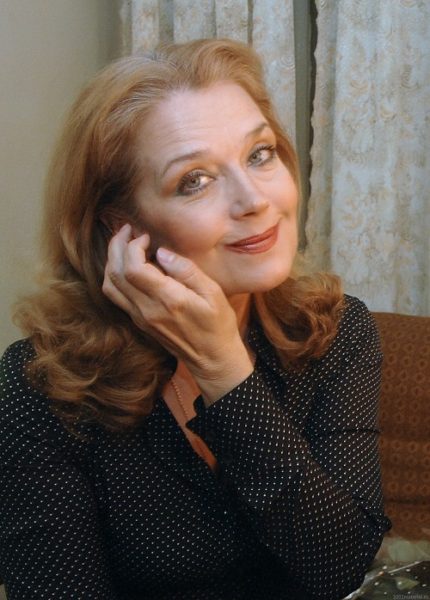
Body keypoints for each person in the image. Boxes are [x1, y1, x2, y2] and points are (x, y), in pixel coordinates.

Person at [0, 38, 391, 600]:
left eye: (260, 154)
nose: (253, 199)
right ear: (123, 225)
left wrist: (224, 369)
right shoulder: (42, 384)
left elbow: (340, 569)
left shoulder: (336, 331)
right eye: (195, 180)